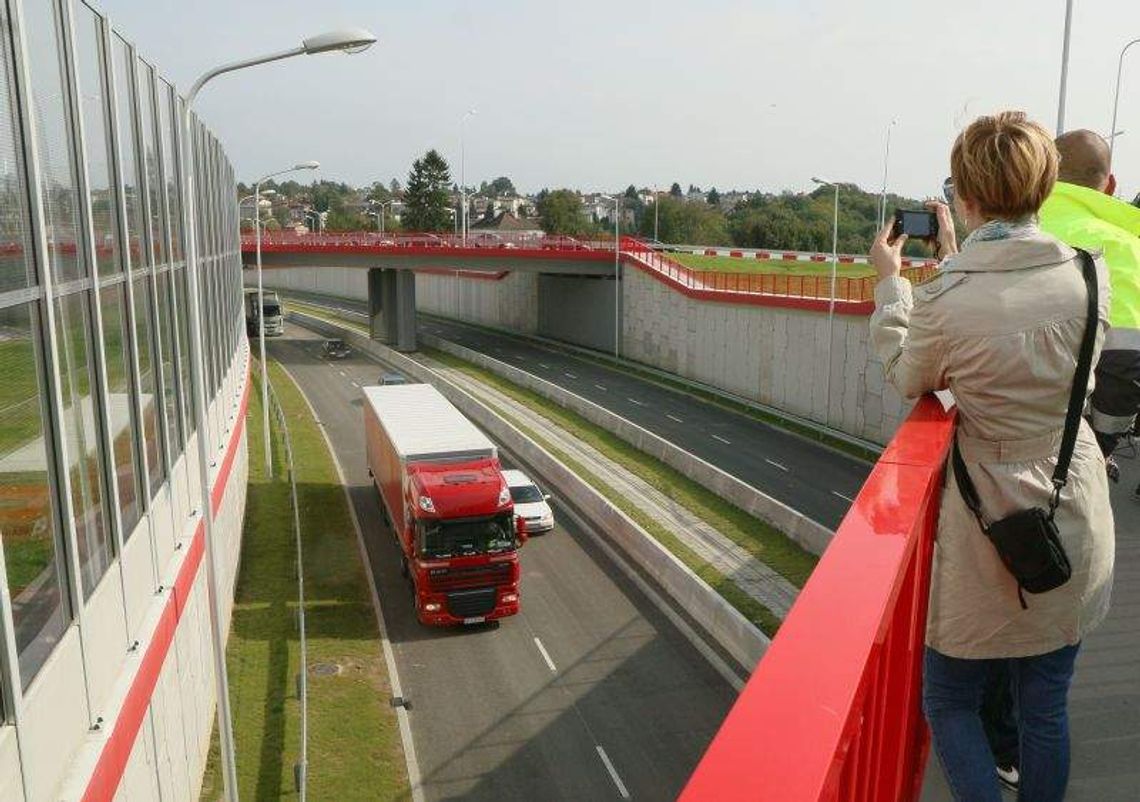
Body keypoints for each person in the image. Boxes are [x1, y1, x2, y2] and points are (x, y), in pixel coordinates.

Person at [869, 111, 1115, 802]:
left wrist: (892, 285)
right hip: (1075, 505)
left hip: (988, 523)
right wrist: (960, 254)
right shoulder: (1089, 274)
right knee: (1045, 704)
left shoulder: (946, 298)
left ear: (967, 196)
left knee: (949, 699)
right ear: (1045, 187)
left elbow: (909, 375)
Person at [1038, 129, 1140, 473]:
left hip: (986, 438)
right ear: (1110, 185)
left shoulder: (1006, 227)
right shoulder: (1126, 248)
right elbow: (1125, 362)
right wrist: (1099, 445)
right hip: (1068, 450)